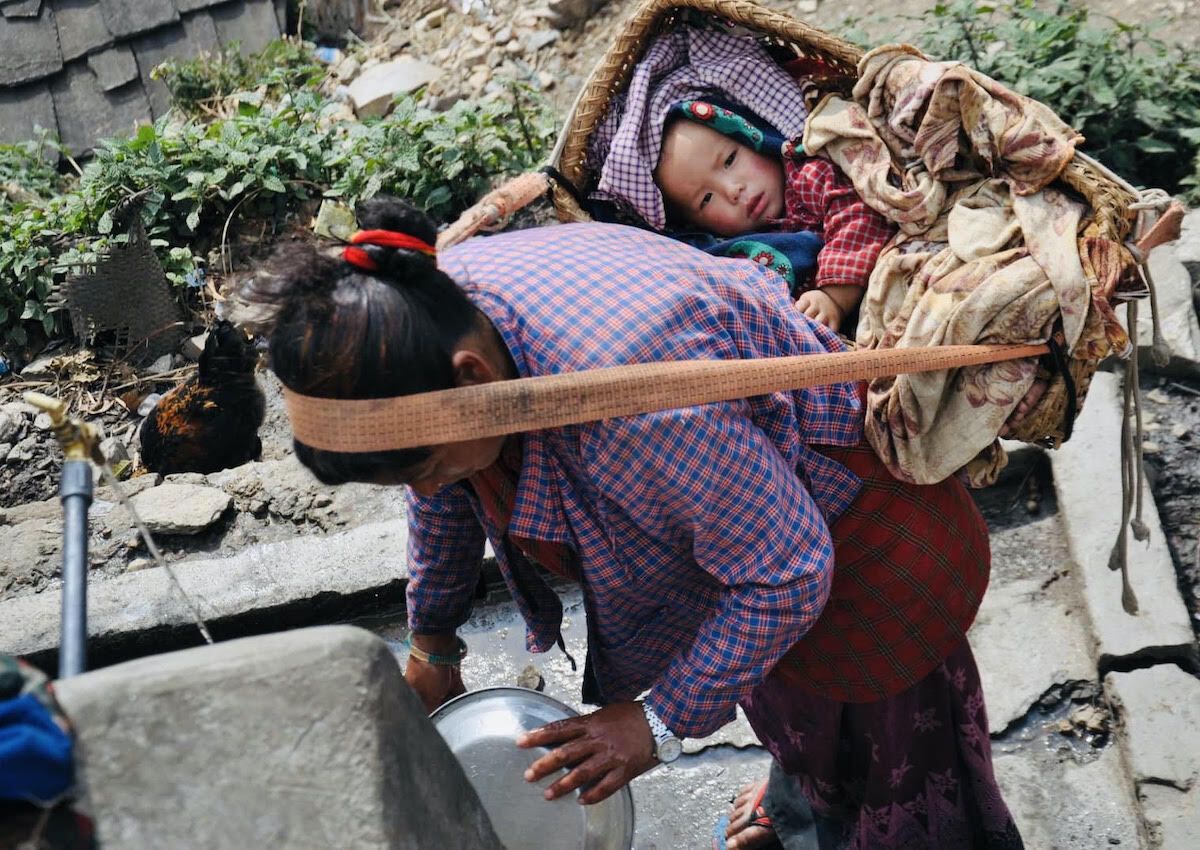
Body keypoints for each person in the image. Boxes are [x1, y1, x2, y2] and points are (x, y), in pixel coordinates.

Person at [247, 197, 1023, 849]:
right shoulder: (429, 310)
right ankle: (806, 803)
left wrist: (655, 722)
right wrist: (433, 640)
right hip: (746, 520)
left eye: (429, 467)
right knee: (785, 699)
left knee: (904, 757)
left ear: (473, 383)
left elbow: (786, 574)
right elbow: (443, 489)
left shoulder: (632, 411)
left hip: (864, 546)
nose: (436, 485)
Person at [651, 99, 894, 333]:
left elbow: (856, 215)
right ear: (695, 224)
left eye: (729, 160)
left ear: (753, 137)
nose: (732, 190)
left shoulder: (807, 175)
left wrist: (834, 298)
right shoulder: (735, 256)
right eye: (706, 199)